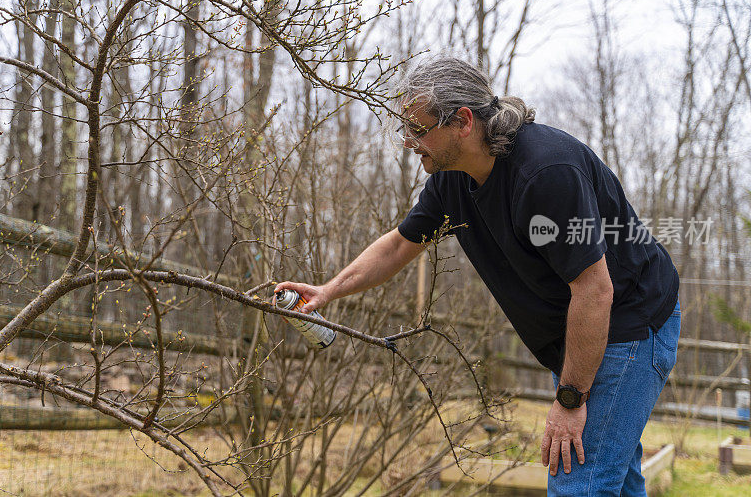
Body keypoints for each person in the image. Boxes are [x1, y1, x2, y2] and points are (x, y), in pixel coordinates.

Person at [275, 55, 681, 496]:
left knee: (579, 485)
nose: (409, 142)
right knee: (614, 485)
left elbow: (595, 290)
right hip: (582, 332)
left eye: (418, 129)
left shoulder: (545, 173)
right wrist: (328, 291)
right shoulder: (452, 180)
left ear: (463, 122)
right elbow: (397, 245)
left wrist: (570, 399)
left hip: (629, 324)